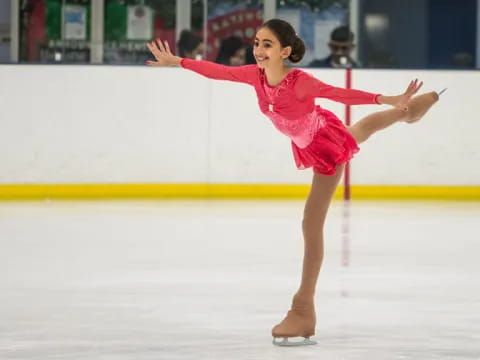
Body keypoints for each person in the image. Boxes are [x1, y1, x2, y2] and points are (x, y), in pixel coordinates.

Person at [146, 19, 440, 346]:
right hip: (309, 141)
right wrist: (179, 62)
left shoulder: (299, 82)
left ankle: (303, 310)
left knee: (310, 225)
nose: (258, 50)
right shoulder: (255, 76)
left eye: (267, 45)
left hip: (324, 144)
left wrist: (385, 97)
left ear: (285, 51)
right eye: (257, 42)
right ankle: (410, 111)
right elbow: (219, 71)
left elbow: (338, 93)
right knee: (360, 132)